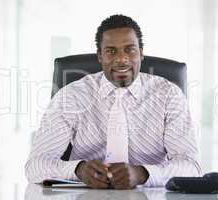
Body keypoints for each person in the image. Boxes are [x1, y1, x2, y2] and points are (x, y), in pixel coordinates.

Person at [25, 14, 202, 189]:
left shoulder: (169, 95)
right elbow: (35, 166)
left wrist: (142, 174)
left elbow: (191, 166)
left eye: (130, 49)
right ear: (100, 56)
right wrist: (77, 170)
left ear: (141, 53)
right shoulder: (71, 96)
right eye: (111, 51)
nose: (121, 59)